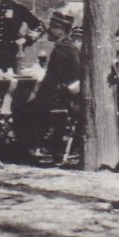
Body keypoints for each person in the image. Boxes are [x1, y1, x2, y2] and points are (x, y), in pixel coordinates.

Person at [14, 11, 81, 162]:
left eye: (52, 27)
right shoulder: (67, 46)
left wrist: (36, 95)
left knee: (21, 107)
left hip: (61, 98)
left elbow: (52, 80)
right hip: (64, 96)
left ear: (60, 30)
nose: (49, 30)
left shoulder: (62, 49)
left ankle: (28, 148)